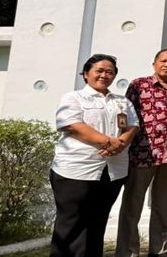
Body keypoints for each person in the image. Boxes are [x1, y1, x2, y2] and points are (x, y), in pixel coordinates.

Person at [49, 54, 139, 257]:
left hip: (113, 171)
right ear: (86, 74)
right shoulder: (73, 97)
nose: (104, 75)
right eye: (99, 71)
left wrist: (120, 143)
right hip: (77, 169)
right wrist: (108, 142)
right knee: (71, 223)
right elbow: (72, 125)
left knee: (98, 221)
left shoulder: (122, 101)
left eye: (110, 72)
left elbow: (133, 126)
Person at [116, 49, 167, 257]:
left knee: (163, 207)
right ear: (154, 64)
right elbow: (125, 115)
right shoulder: (138, 85)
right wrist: (121, 142)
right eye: (163, 60)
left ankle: (160, 251)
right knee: (132, 206)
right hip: (142, 153)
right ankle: (128, 252)